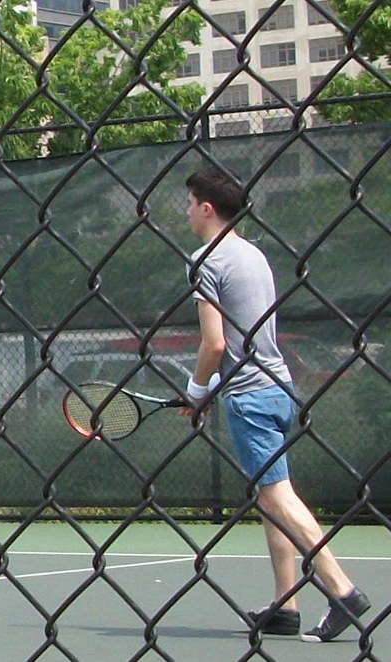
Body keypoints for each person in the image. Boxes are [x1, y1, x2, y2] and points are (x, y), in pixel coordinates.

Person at [179, 166, 369, 643]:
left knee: (277, 496)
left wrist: (197, 391)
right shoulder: (254, 255)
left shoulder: (206, 261)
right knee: (271, 500)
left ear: (206, 207)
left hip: (248, 396)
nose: (185, 211)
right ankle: (286, 606)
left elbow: (214, 345)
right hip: (279, 386)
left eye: (188, 202)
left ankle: (342, 591)